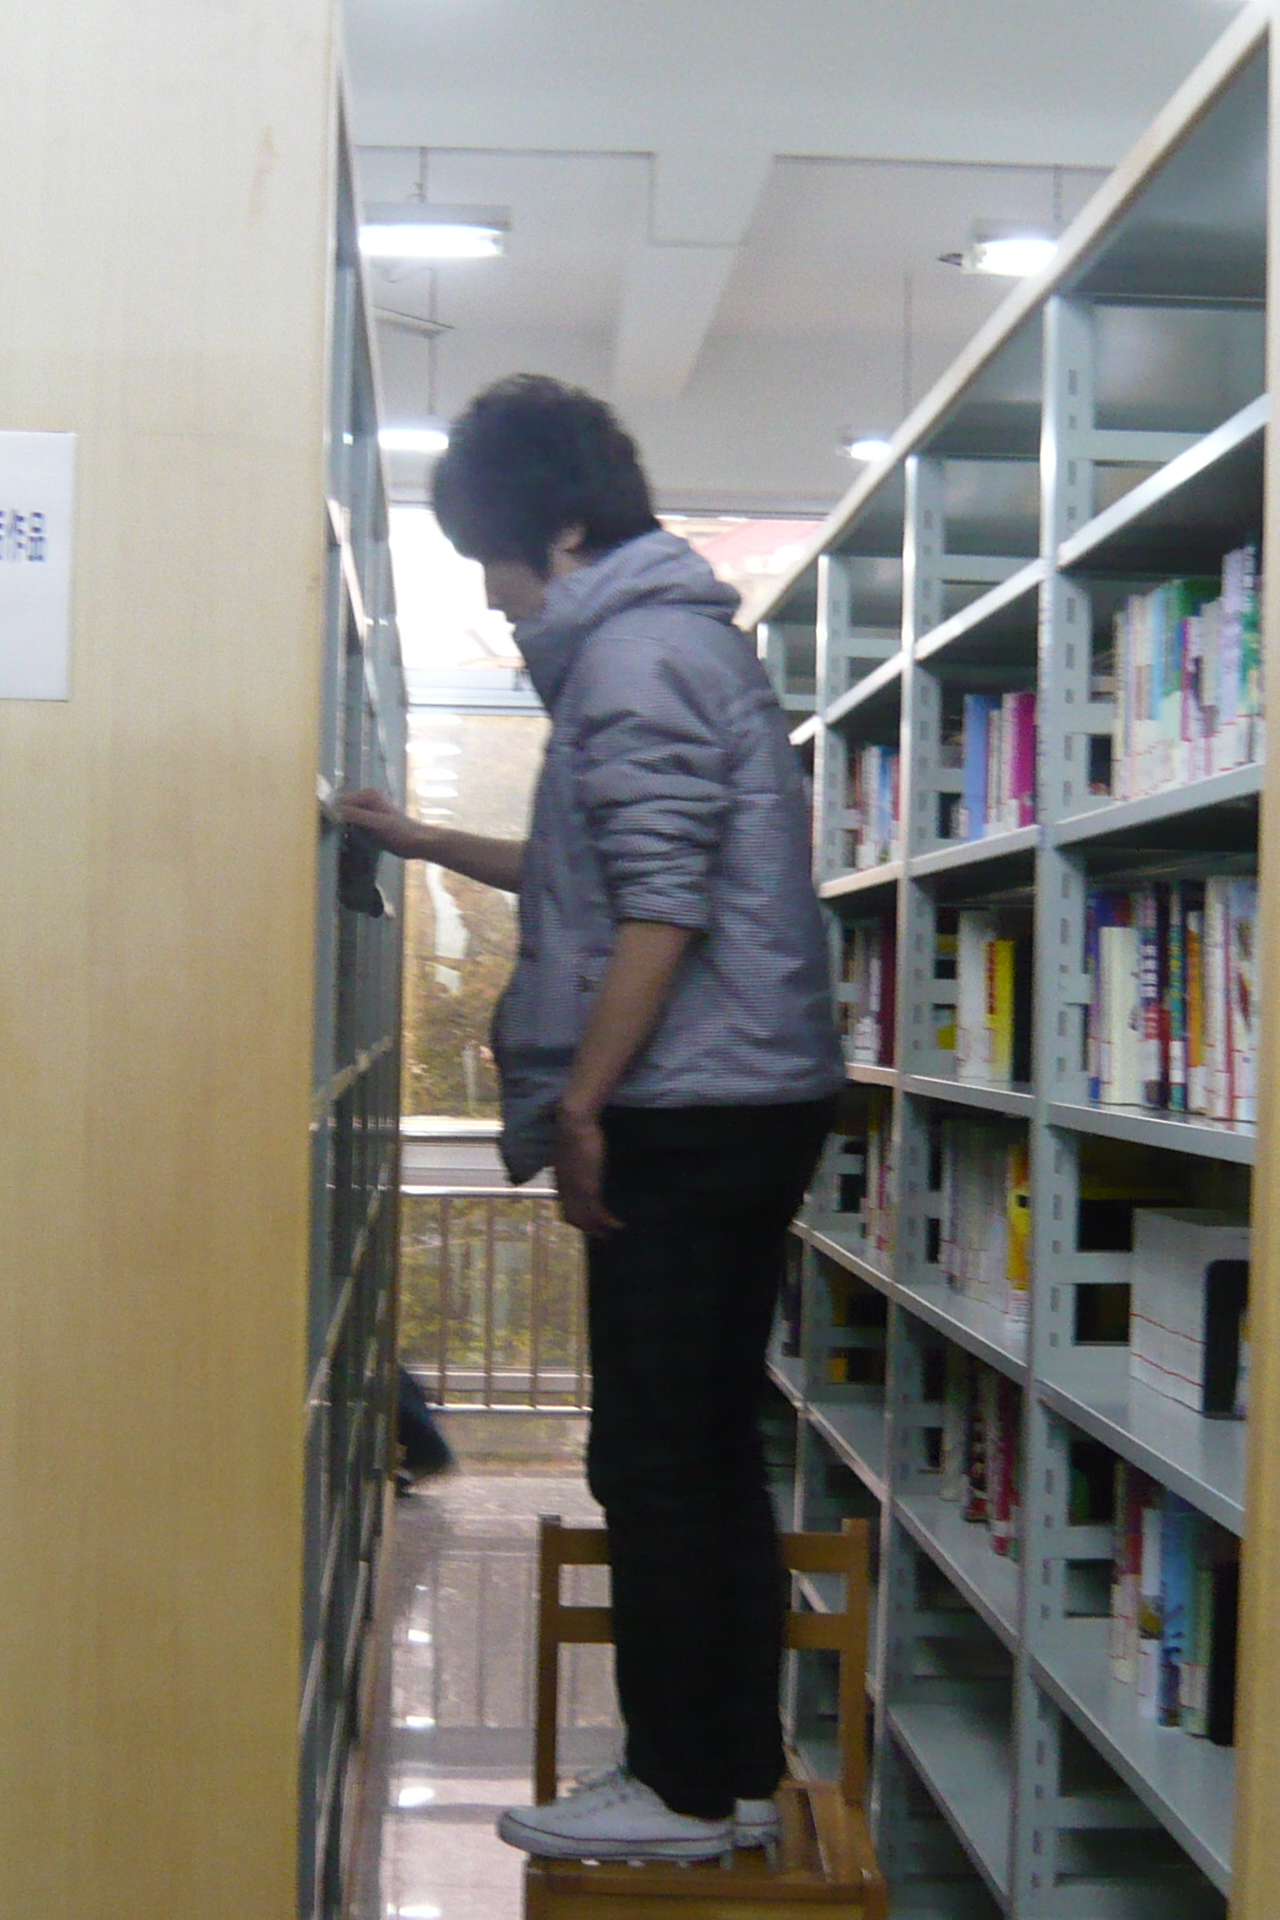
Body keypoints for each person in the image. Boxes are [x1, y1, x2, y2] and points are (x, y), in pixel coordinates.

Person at [339, 374, 842, 1864]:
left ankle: (686, 1791)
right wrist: (420, 837)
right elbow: (601, 874)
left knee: (657, 1455)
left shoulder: (635, 657)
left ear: (560, 534)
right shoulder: (667, 646)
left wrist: (582, 1107)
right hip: (735, 1094)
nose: (495, 600)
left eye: (495, 563)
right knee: (696, 1448)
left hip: (692, 1104)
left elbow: (661, 909)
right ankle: (722, 1771)